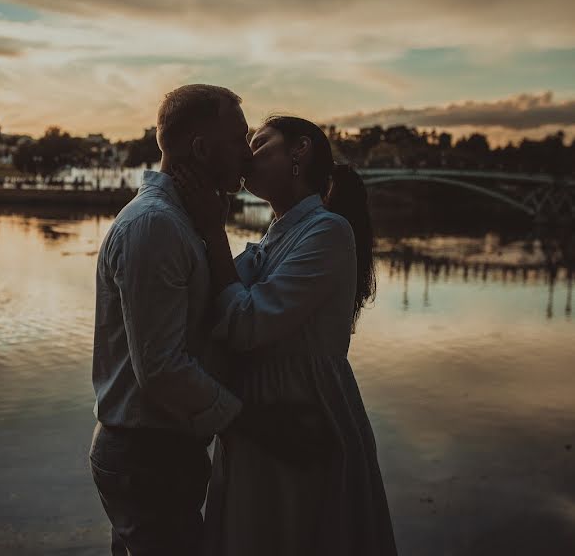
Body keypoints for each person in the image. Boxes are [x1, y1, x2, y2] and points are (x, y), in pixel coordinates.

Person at [90, 89, 329, 556]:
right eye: (239, 138)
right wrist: (257, 423)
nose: (248, 152)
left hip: (158, 454)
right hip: (147, 456)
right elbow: (161, 368)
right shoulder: (155, 226)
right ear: (201, 149)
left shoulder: (183, 222)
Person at [174, 116, 397, 555]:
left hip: (301, 409)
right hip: (263, 410)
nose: (246, 155)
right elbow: (209, 307)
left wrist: (214, 230)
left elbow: (245, 323)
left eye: (259, 143)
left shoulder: (329, 232)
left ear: (300, 150)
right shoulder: (280, 234)